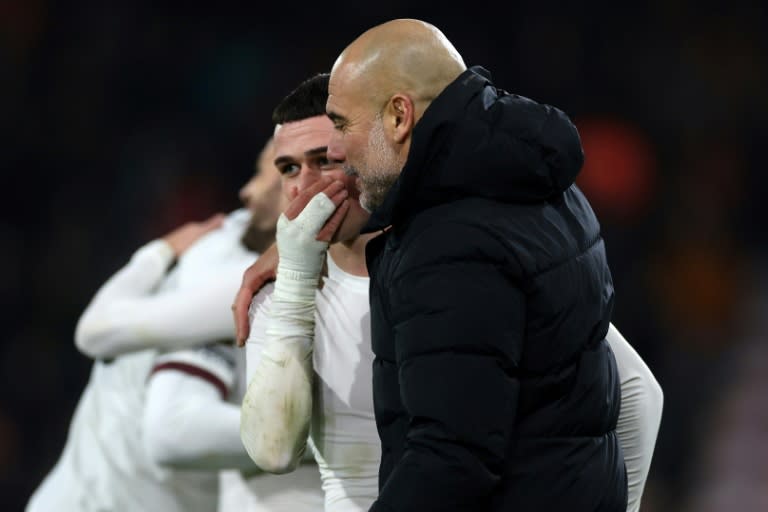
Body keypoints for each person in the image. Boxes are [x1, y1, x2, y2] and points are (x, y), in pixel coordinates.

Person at [238, 72, 662, 512]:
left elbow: (637, 394)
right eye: (288, 168)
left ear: (366, 154)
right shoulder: (282, 294)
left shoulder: (462, 265)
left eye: (324, 159)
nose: (304, 186)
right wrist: (296, 277)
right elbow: (274, 451)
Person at [324, 18, 645, 511]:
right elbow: (633, 392)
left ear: (398, 116)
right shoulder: (545, 186)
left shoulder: (448, 242)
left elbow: (451, 462)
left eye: (342, 123)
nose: (334, 150)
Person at [26, 139, 324, 511]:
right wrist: (325, 438)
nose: (247, 190)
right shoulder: (235, 274)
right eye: (276, 168)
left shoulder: (232, 257)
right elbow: (173, 428)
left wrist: (156, 253)